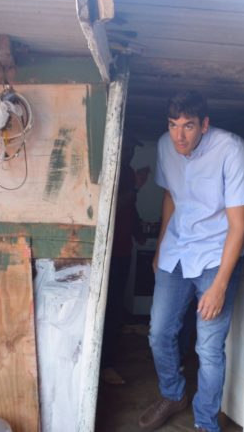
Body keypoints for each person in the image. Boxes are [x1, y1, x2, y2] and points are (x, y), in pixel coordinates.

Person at [138, 91, 244, 432]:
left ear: (205, 125)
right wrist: (160, 247)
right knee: (159, 333)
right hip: (176, 253)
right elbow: (171, 196)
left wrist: (220, 285)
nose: (179, 136)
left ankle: (205, 422)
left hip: (215, 258)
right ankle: (173, 394)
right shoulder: (166, 146)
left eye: (188, 126)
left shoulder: (231, 149)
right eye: (173, 125)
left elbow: (239, 225)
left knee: (208, 347)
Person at [100, 137, 149, 385]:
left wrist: (138, 231)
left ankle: (111, 358)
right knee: (107, 308)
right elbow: (111, 206)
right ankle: (104, 365)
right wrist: (137, 187)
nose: (129, 154)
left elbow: (131, 208)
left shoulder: (128, 172)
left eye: (132, 149)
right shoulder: (109, 170)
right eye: (126, 148)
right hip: (106, 253)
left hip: (123, 250)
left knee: (116, 307)